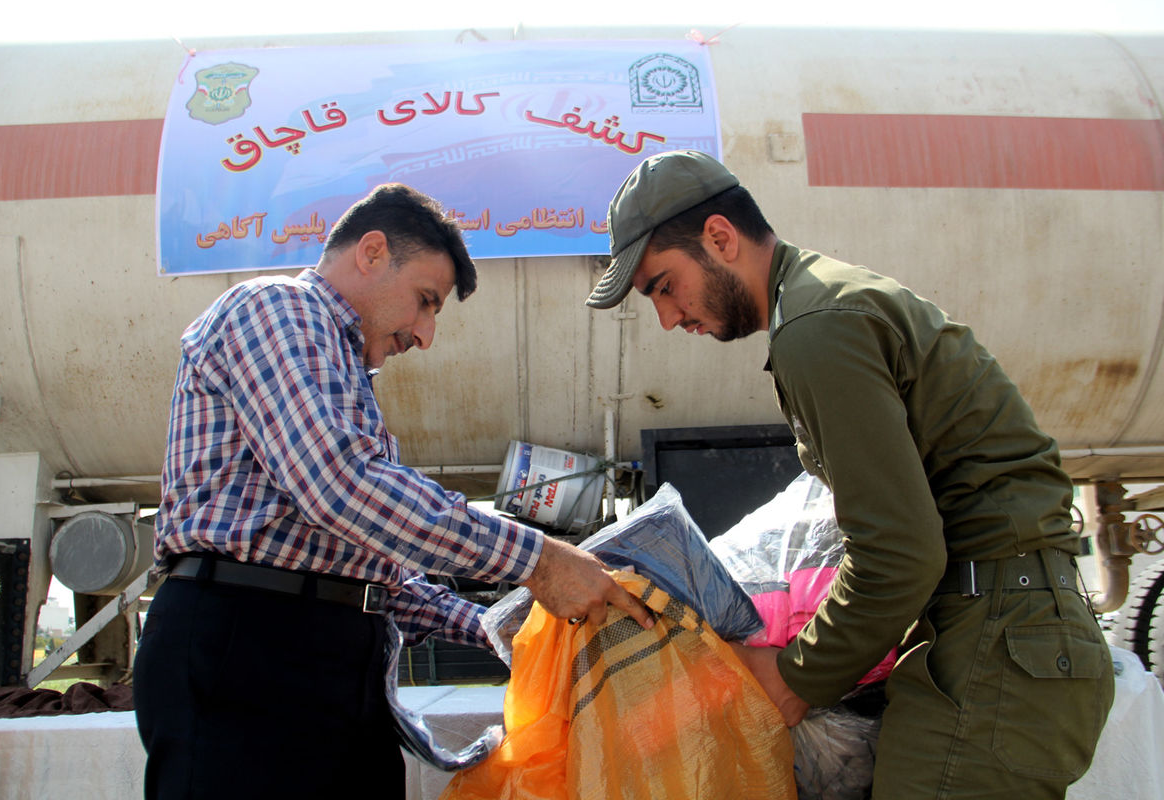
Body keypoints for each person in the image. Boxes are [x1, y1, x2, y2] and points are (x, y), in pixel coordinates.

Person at [585, 150, 1114, 798]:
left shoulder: (816, 330)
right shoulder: (820, 305)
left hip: (999, 629)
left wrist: (795, 677)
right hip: (996, 623)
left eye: (663, 285)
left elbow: (900, 553)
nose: (668, 317)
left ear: (720, 238)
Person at [134, 183, 652, 800]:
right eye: (425, 301)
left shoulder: (344, 373)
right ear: (373, 252)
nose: (426, 334)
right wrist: (539, 561)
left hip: (328, 659)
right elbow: (339, 485)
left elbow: (373, 578)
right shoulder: (277, 309)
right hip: (248, 649)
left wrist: (498, 627)